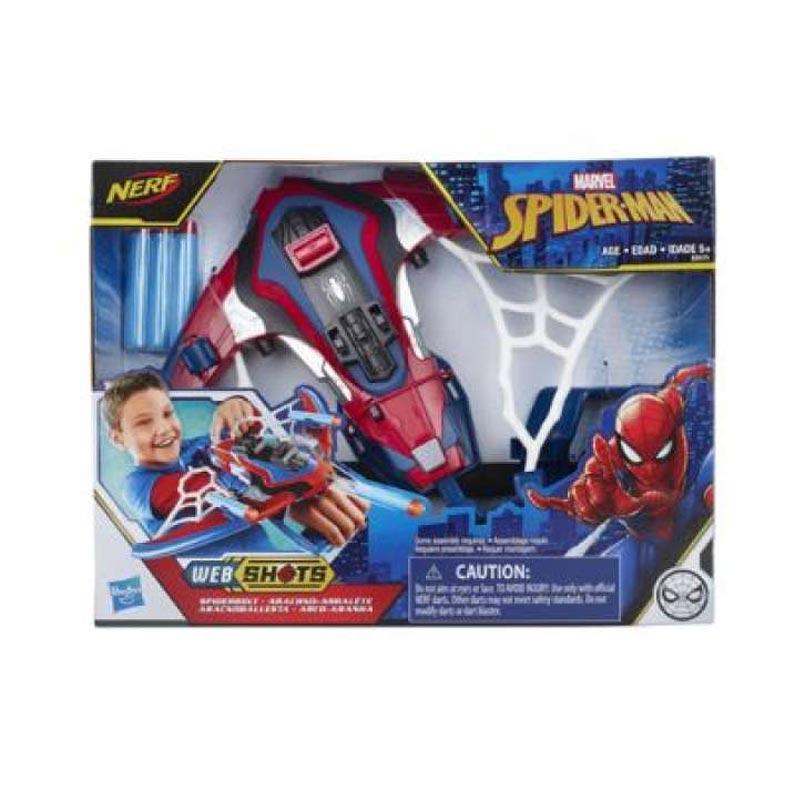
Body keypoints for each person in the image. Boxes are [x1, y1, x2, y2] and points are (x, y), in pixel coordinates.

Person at [102, 369, 367, 547]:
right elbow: (200, 487)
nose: (163, 429)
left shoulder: (196, 447)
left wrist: (237, 409)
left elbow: (237, 440)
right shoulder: (136, 485)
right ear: (118, 438)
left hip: (260, 570)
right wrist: (282, 494)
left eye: (168, 414)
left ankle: (308, 454)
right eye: (144, 423)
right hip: (207, 584)